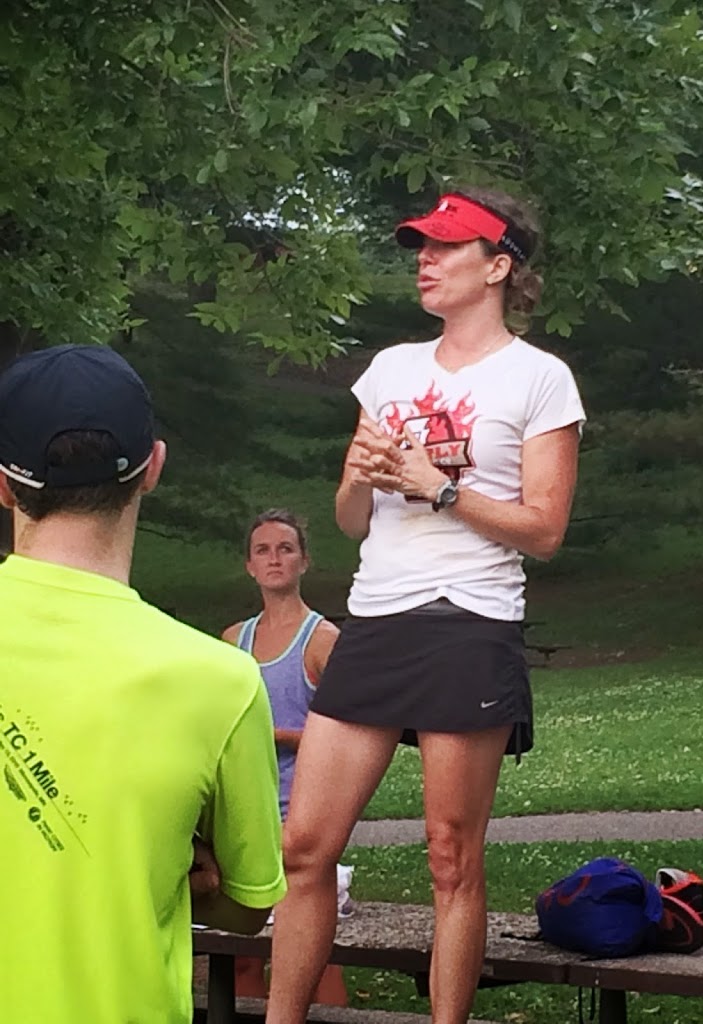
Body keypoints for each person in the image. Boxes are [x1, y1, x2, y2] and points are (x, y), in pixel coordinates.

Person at [265, 186, 586, 1024]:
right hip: (376, 619)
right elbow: (350, 519)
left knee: (450, 857)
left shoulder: (539, 379)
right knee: (304, 848)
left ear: (499, 266)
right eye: (422, 246)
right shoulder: (391, 370)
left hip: (468, 623)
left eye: (447, 247)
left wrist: (438, 487)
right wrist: (362, 480)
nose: (426, 260)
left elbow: (545, 530)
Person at [0, 345, 286, 1024]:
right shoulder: (221, 681)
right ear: (153, 467)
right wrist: (185, 876)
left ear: (5, 485)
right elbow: (249, 906)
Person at [222, 508, 348, 1005]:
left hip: (304, 819)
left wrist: (276, 735)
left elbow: (346, 739)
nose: (274, 559)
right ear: (249, 565)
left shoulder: (323, 641)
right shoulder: (233, 641)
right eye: (263, 550)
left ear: (303, 561)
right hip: (247, 818)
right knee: (242, 957)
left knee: (314, 959)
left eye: (285, 549)